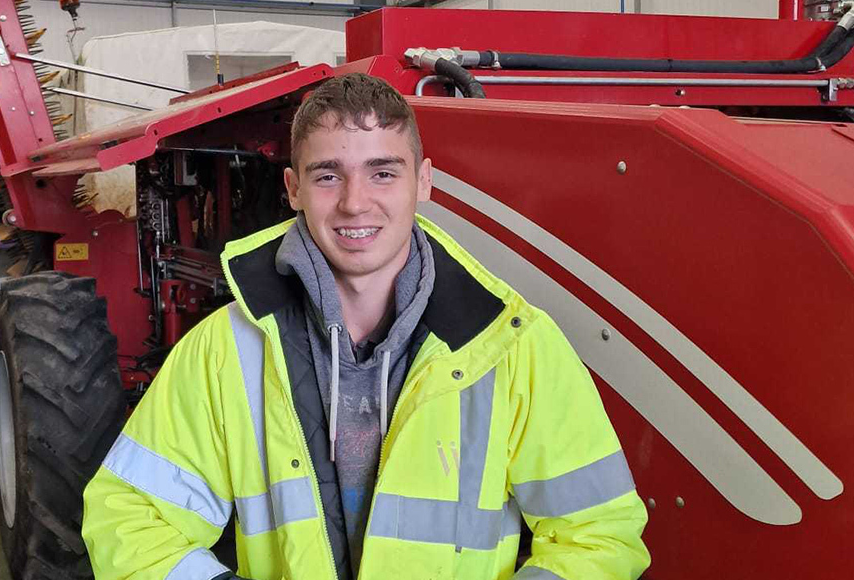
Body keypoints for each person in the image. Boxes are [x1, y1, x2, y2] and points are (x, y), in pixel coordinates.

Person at [82, 73, 650, 580]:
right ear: (293, 190)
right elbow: (131, 518)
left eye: (382, 172)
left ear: (423, 182)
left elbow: (599, 536)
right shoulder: (226, 349)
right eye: (328, 175)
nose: (356, 203)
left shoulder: (515, 347)